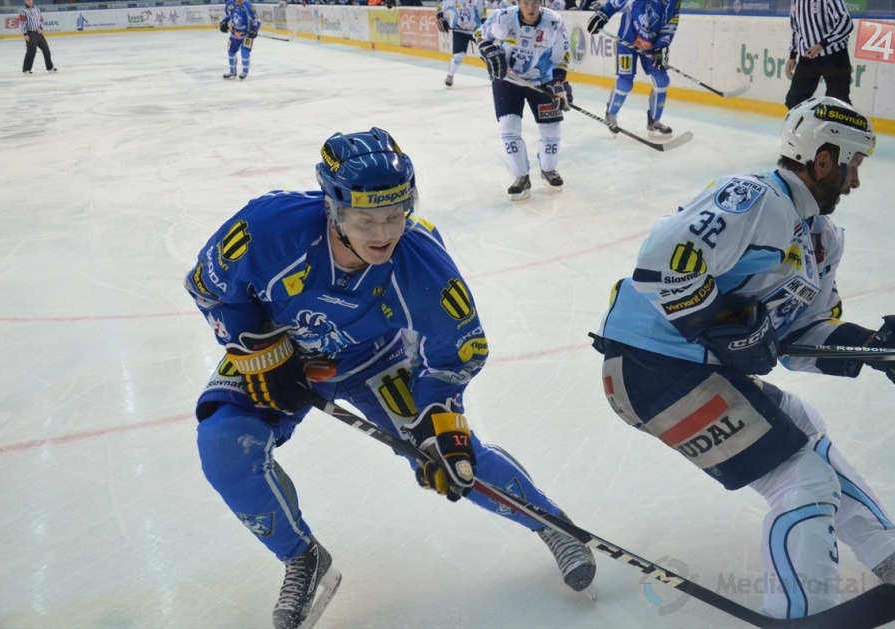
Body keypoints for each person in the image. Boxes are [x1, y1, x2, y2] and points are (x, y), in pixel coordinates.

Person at [185, 127, 596, 629]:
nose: (383, 235)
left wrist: (439, 421)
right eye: (366, 220)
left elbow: (459, 352)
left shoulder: (422, 262)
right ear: (333, 209)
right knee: (224, 446)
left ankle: (552, 524)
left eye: (395, 215)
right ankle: (303, 558)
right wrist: (259, 348)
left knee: (452, 457)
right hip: (279, 352)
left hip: (377, 360)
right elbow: (207, 287)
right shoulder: (267, 228)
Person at [592, 96, 895, 619]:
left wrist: (881, 348)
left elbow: (801, 334)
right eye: (853, 165)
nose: (855, 182)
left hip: (687, 372)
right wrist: (722, 320)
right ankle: (799, 612)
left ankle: (890, 552)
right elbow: (662, 264)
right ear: (824, 158)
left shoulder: (821, 238)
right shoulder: (757, 198)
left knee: (803, 422)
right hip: (650, 366)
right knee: (802, 478)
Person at [477, 0, 572, 200]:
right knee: (508, 125)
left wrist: (559, 84)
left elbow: (561, 56)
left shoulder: (554, 23)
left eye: (535, 3)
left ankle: (548, 169)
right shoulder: (503, 18)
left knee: (551, 127)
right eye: (526, 3)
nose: (530, 8)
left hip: (543, 81)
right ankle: (521, 176)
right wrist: (488, 50)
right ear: (519, 3)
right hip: (507, 80)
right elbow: (480, 34)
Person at [586, 0, 679, 138]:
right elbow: (615, 4)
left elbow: (671, 22)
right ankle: (611, 114)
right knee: (625, 82)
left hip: (652, 46)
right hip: (627, 43)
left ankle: (654, 120)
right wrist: (602, 15)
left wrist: (663, 45)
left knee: (662, 80)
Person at [784, 0, 853, 109]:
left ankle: (849, 120)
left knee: (837, 102)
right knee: (794, 100)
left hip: (835, 57)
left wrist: (822, 44)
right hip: (807, 59)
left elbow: (846, 22)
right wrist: (792, 55)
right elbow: (795, 28)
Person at [436, 0, 487, 88]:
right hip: (459, 30)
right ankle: (450, 76)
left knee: (487, 50)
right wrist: (441, 18)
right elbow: (439, 8)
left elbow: (482, 14)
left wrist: (485, 26)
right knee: (458, 55)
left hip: (477, 30)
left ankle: (496, 72)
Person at [219, 0, 260, 80]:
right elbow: (226, 15)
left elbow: (256, 20)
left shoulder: (249, 7)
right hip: (234, 34)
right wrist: (223, 23)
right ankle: (232, 71)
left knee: (245, 52)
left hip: (247, 35)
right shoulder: (230, 4)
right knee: (231, 52)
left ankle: (245, 72)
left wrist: (254, 30)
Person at [18, 0, 56, 75]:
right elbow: (22, 23)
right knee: (31, 51)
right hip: (30, 33)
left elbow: (41, 20)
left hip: (38, 33)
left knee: (46, 50)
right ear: (25, 1)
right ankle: (26, 69)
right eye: (27, 0)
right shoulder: (22, 10)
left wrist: (41, 28)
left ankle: (50, 67)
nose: (29, 1)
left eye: (30, 0)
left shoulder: (37, 9)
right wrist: (25, 34)